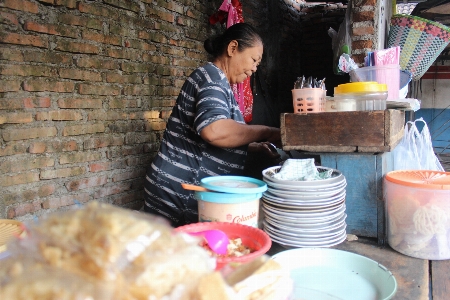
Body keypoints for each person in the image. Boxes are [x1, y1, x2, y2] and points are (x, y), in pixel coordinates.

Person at [144, 23, 281, 227]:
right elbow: (214, 131)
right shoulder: (212, 78)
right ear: (232, 48)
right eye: (253, 60)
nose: (254, 69)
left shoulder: (219, 83)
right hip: (178, 193)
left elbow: (211, 139)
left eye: (257, 65)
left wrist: (252, 147)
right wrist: (267, 132)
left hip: (180, 189)